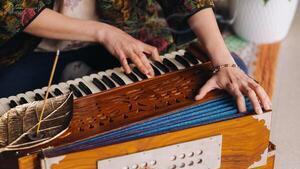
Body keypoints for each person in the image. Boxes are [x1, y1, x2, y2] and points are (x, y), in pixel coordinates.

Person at [0, 0, 271, 114]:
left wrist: (224, 63)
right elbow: (13, 8)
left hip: (130, 36)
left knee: (226, 92)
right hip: (32, 48)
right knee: (9, 120)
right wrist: (104, 33)